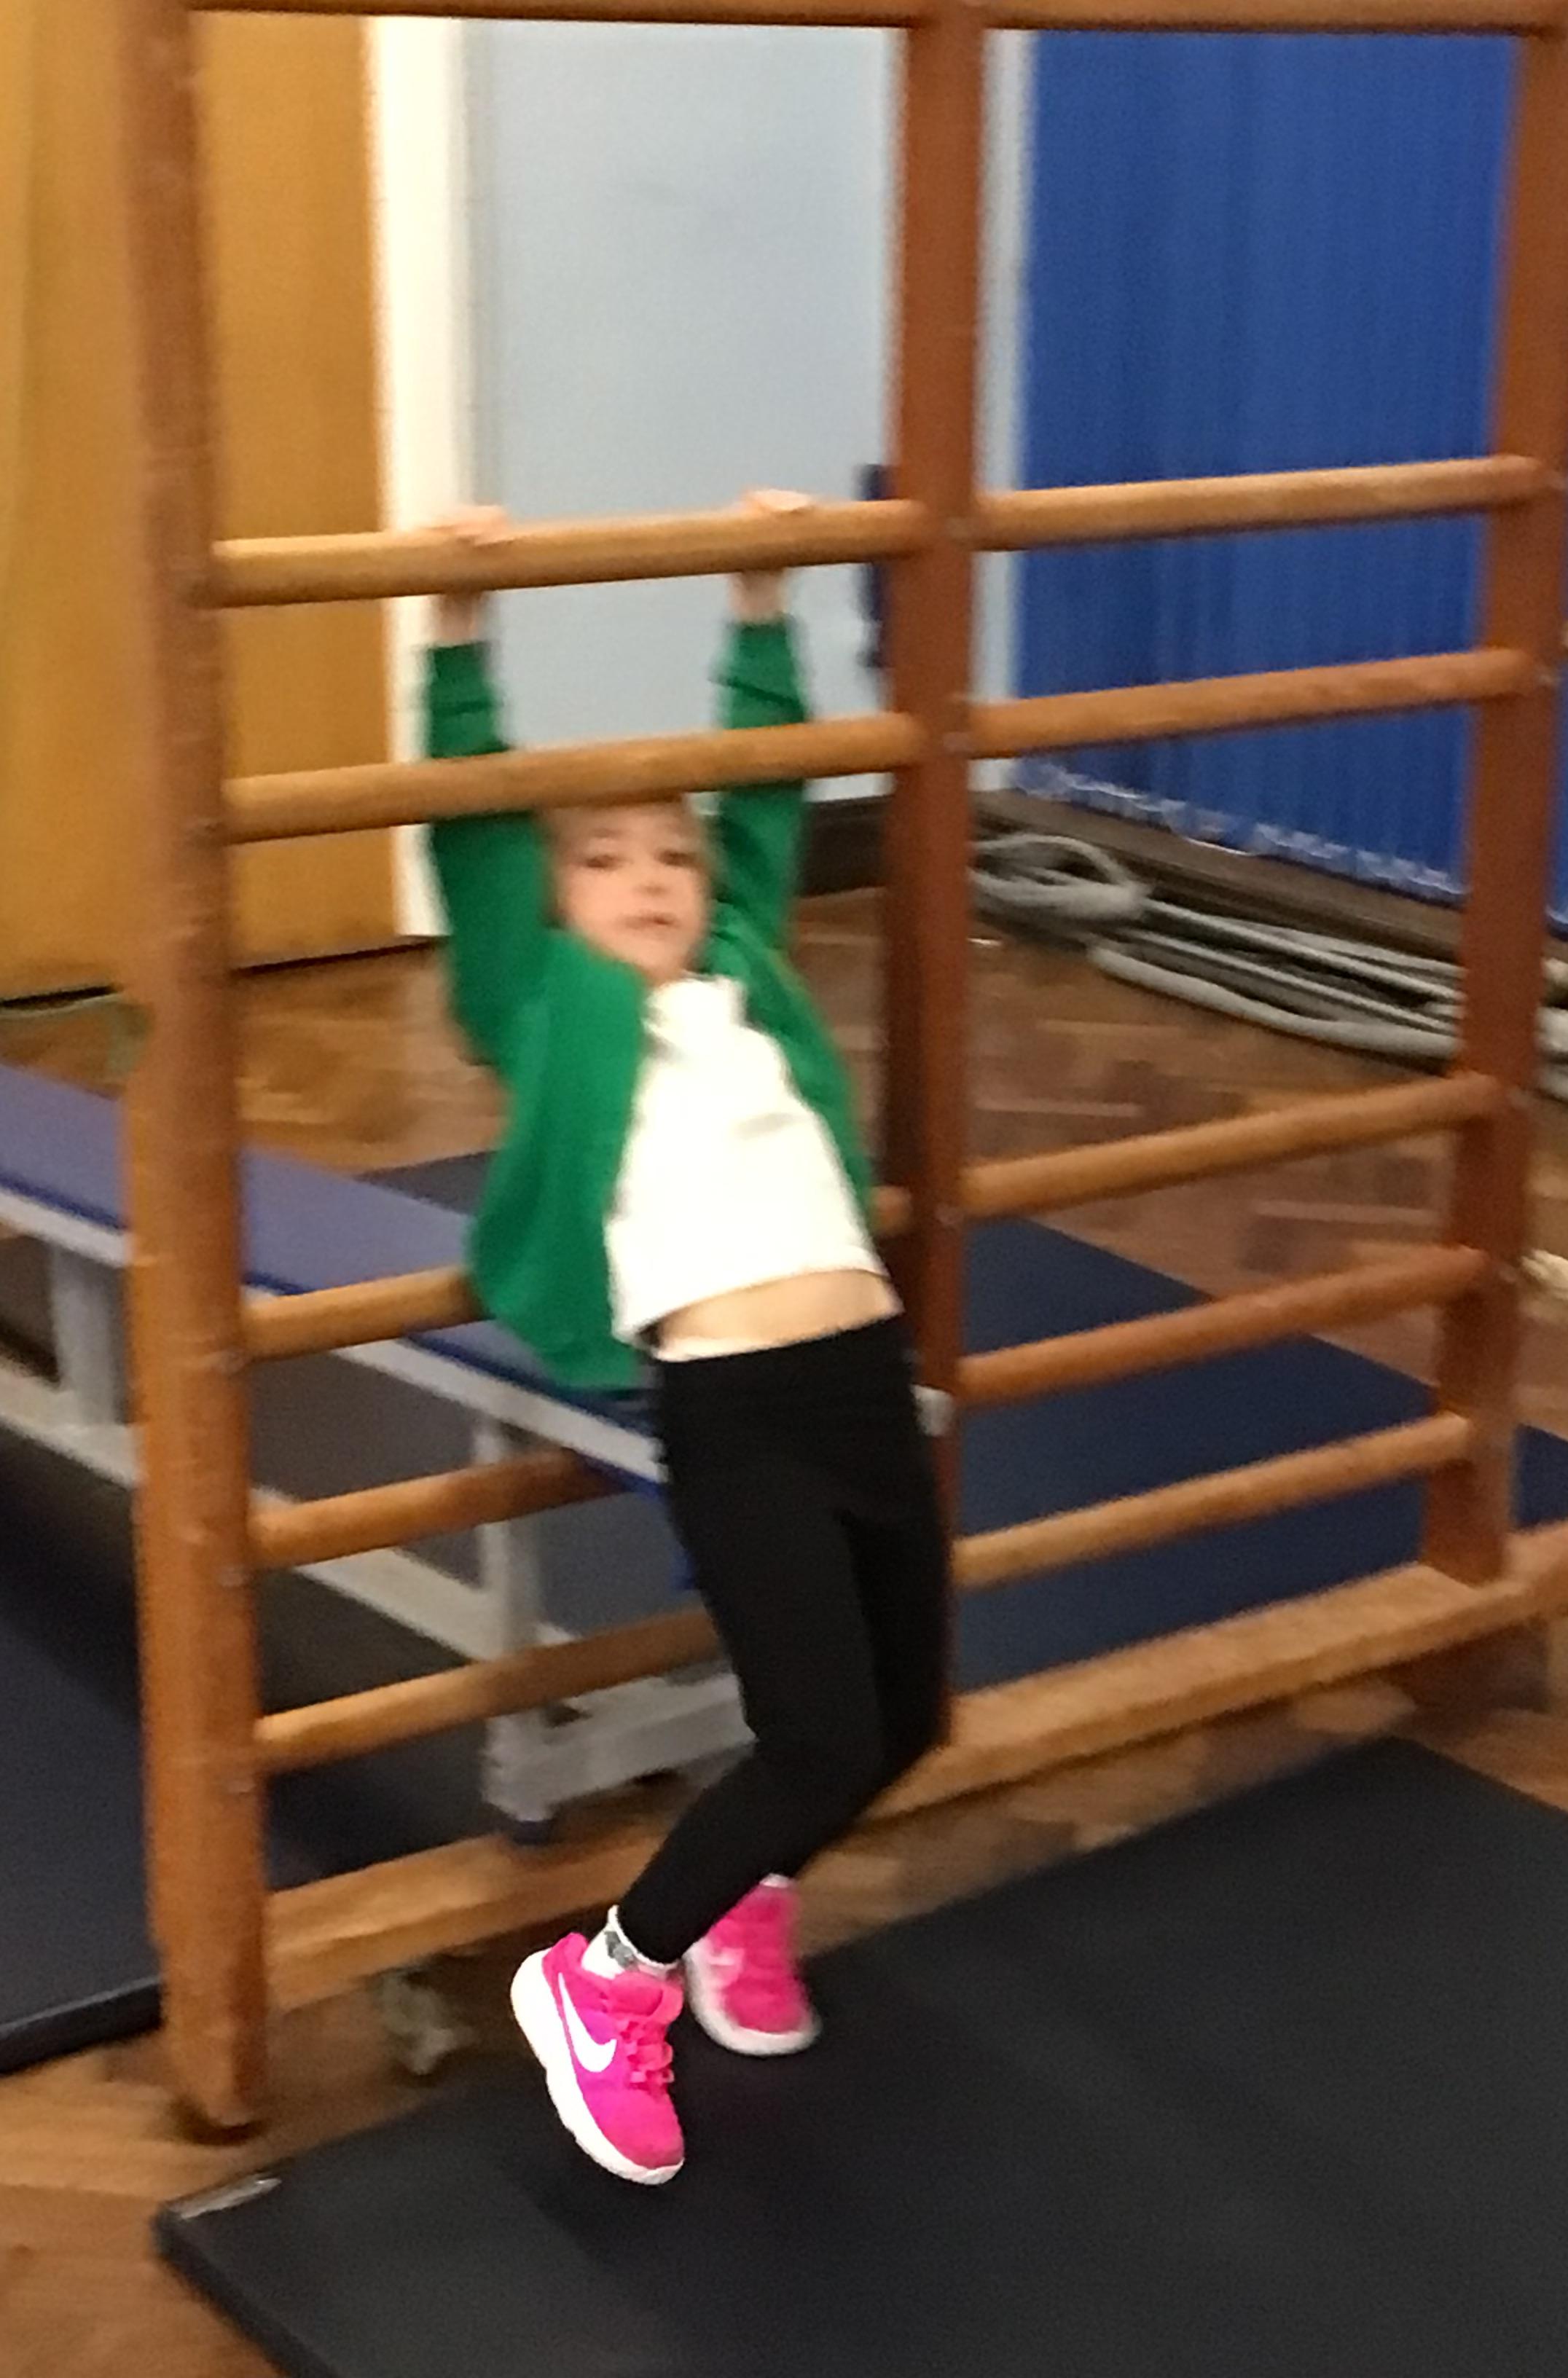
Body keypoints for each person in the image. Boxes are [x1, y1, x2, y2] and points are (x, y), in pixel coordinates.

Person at [424, 493, 951, 2186]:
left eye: (671, 853)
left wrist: (760, 592)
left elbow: (766, 786)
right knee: (817, 1734)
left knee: (909, 1720)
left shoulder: (741, 961)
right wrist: (455, 622)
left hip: (864, 1381)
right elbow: (469, 830)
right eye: (603, 858)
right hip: (739, 1407)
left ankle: (739, 1902)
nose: (648, 878)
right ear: (552, 899)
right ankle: (608, 1976)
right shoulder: (539, 999)